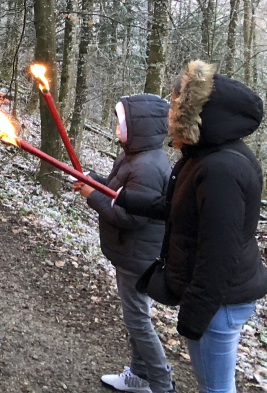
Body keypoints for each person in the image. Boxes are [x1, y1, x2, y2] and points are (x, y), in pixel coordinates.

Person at [115, 61, 267, 393]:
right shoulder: (203, 157)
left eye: (173, 104)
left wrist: (194, 315)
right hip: (215, 295)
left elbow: (219, 254)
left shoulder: (221, 169)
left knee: (216, 388)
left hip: (220, 300)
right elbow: (177, 210)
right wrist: (121, 196)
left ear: (193, 112)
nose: (168, 111)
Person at [74, 94, 173, 393]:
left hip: (138, 256)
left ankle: (161, 384)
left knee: (138, 321)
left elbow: (130, 216)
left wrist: (92, 196)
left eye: (123, 122)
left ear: (140, 127)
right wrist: (94, 179)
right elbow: (118, 191)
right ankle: (140, 378)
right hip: (130, 252)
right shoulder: (133, 156)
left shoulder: (148, 166)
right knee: (135, 319)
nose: (117, 127)